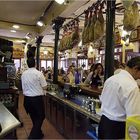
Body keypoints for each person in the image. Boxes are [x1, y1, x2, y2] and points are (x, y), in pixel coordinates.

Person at [98, 56, 140, 139]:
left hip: (103, 123)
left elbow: (102, 99)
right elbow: (134, 118)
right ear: (136, 69)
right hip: (118, 129)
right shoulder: (132, 86)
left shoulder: (111, 79)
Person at [21, 57, 47, 139]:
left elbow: (23, 87)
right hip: (36, 99)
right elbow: (45, 86)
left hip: (27, 100)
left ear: (27, 64)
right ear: (35, 64)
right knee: (41, 116)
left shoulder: (23, 74)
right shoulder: (39, 73)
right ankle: (32, 136)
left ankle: (39, 133)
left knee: (34, 116)